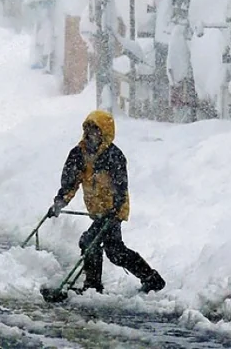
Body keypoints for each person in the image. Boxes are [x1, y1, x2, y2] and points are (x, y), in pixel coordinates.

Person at [47, 110, 165, 294]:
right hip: (98, 211)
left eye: (95, 130)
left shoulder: (113, 156)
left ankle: (92, 286)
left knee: (89, 241)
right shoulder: (78, 154)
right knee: (115, 252)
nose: (91, 135)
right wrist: (60, 202)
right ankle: (151, 278)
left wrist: (115, 208)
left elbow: (120, 186)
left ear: (105, 132)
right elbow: (70, 182)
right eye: (88, 130)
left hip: (113, 211)